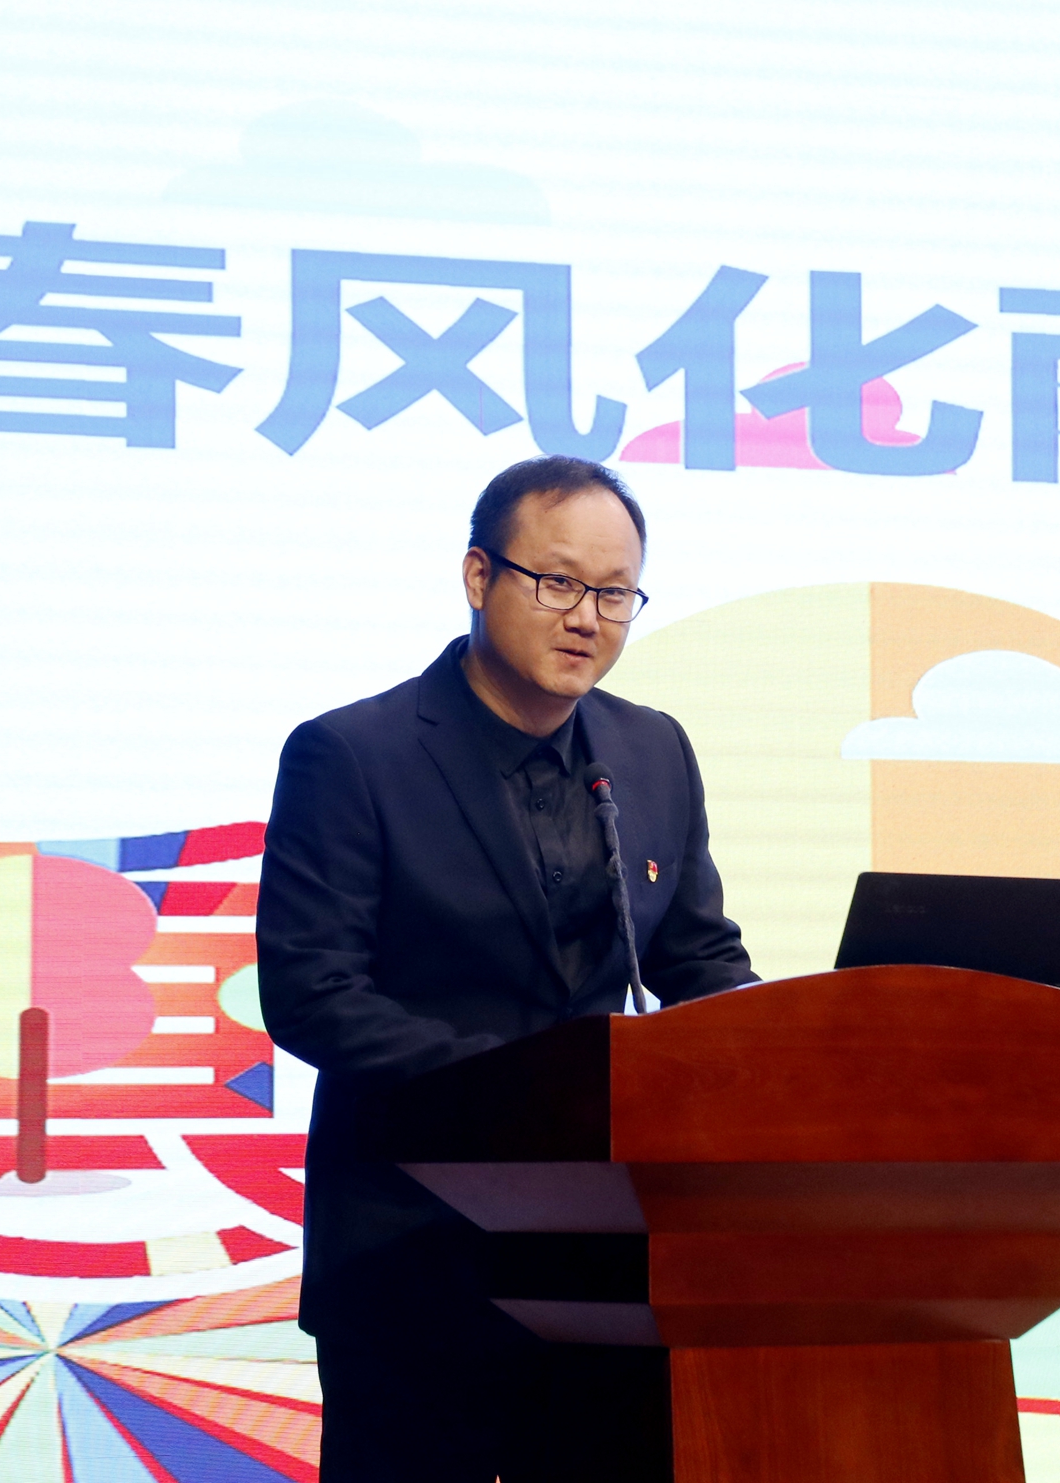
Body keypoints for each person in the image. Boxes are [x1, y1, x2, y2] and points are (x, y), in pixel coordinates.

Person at [257, 456, 757, 1482]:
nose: (586, 618)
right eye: (558, 581)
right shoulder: (353, 754)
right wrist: (525, 1090)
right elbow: (311, 993)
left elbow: (697, 957)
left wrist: (782, 1055)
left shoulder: (652, 750)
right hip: (412, 1257)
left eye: (615, 594)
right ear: (478, 576)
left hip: (604, 1267)